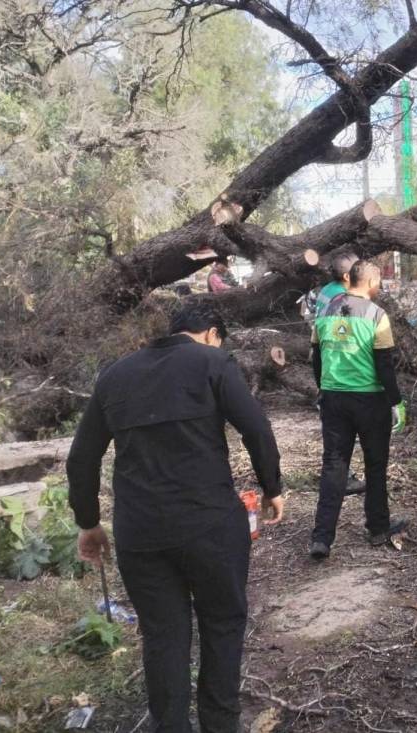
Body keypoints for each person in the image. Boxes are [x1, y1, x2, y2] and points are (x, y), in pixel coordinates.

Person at [66, 303, 284, 733]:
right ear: (211, 333)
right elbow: (256, 428)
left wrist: (89, 523)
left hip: (140, 533)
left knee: (163, 634)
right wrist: (273, 487)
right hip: (211, 526)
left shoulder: (115, 375)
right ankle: (220, 725)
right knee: (221, 625)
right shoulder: (213, 362)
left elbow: (81, 459)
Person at [309, 259, 406, 559]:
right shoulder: (377, 314)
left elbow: (316, 357)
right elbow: (384, 365)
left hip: (334, 399)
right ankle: (378, 528)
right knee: (375, 465)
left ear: (348, 279)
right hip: (370, 401)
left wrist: (323, 387)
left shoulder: (324, 311)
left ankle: (322, 538)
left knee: (334, 466)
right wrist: (396, 401)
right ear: (373, 284)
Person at [309, 251, 366, 496]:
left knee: (333, 431)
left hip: (328, 364)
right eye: (357, 269)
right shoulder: (342, 297)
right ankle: (343, 478)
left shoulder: (326, 290)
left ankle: (336, 475)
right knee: (343, 431)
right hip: (341, 366)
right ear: (346, 275)